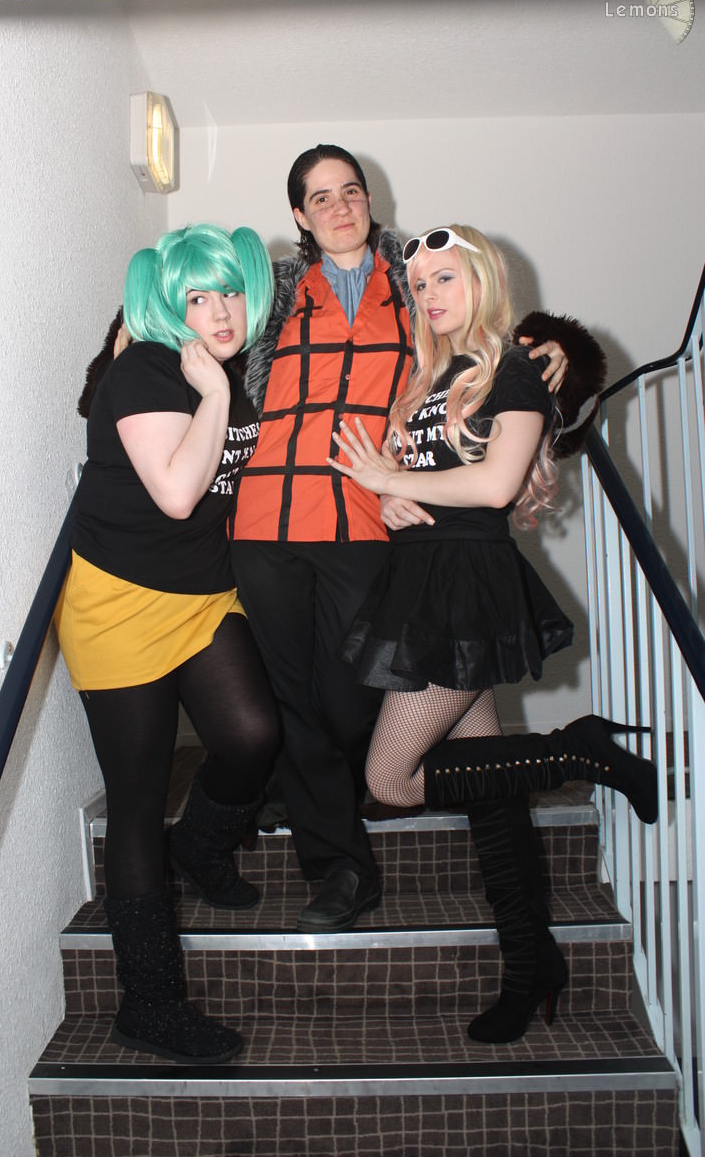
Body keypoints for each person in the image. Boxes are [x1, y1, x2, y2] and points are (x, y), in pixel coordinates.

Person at [230, 144, 574, 933]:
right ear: (299, 215)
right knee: (294, 703)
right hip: (265, 521)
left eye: (350, 190)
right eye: (320, 197)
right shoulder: (271, 294)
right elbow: (189, 316)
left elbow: (480, 343)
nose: (339, 206)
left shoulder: (412, 285)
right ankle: (340, 868)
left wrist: (553, 345)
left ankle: (332, 791)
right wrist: (130, 343)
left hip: (367, 520)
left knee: (354, 701)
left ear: (368, 199)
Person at [328, 224, 657, 1043]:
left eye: (447, 277)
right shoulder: (430, 377)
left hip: (464, 586)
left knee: (390, 778)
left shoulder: (513, 368)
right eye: (420, 284)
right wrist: (392, 498)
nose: (430, 294)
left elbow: (498, 482)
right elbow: (429, 481)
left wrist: (389, 477)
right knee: (491, 792)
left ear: (483, 280)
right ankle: (531, 964)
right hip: (424, 578)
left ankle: (581, 751)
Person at [55, 224, 281, 1064]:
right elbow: (181, 492)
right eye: (197, 296)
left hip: (201, 595)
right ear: (166, 305)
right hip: (119, 602)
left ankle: (203, 845)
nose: (220, 311)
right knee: (138, 801)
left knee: (252, 735)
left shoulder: (228, 371)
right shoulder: (150, 369)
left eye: (230, 292)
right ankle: (148, 1003)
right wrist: (215, 394)